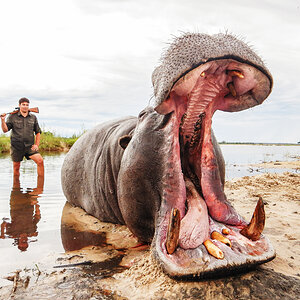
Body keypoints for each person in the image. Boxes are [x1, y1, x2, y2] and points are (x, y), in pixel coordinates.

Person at [1, 97, 44, 177]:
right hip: (16, 147)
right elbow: (5, 130)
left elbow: (38, 132)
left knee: (40, 161)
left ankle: (40, 188)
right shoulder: (11, 117)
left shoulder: (33, 117)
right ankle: (16, 188)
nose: (25, 106)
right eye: (23, 104)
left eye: (27, 105)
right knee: (16, 168)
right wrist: (3, 120)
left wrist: (36, 145)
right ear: (19, 105)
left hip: (30, 147)